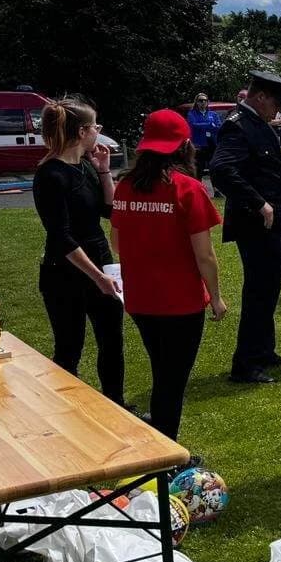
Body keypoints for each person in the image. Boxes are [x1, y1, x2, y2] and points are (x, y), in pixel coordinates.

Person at [109, 110, 225, 444]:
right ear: (185, 146)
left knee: (163, 371)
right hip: (180, 302)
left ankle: (160, 434)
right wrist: (216, 298)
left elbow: (116, 243)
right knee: (171, 380)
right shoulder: (187, 188)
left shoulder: (126, 186)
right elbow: (205, 255)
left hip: (141, 298)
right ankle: (167, 450)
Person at [210, 69, 281, 383]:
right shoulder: (238, 126)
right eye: (276, 103)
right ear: (261, 97)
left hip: (271, 221)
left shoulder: (259, 124)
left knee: (269, 288)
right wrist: (258, 202)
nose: (278, 111)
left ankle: (264, 350)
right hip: (255, 222)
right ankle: (246, 364)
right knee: (259, 292)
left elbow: (262, 165)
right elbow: (222, 169)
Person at [32, 95, 124, 405]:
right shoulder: (50, 175)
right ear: (82, 132)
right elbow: (62, 237)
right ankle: (68, 413)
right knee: (69, 347)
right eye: (96, 126)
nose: (99, 131)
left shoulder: (86, 166)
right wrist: (97, 277)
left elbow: (109, 211)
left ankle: (116, 404)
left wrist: (104, 171)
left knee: (112, 340)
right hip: (65, 273)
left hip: (100, 264)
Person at [186, 93, 223, 180]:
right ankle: (198, 186)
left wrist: (204, 126)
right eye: (200, 100)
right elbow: (194, 125)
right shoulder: (192, 114)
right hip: (199, 144)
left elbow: (218, 127)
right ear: (196, 102)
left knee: (214, 168)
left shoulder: (213, 114)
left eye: (205, 100)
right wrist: (209, 125)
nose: (203, 102)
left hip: (212, 144)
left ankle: (216, 187)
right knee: (199, 169)